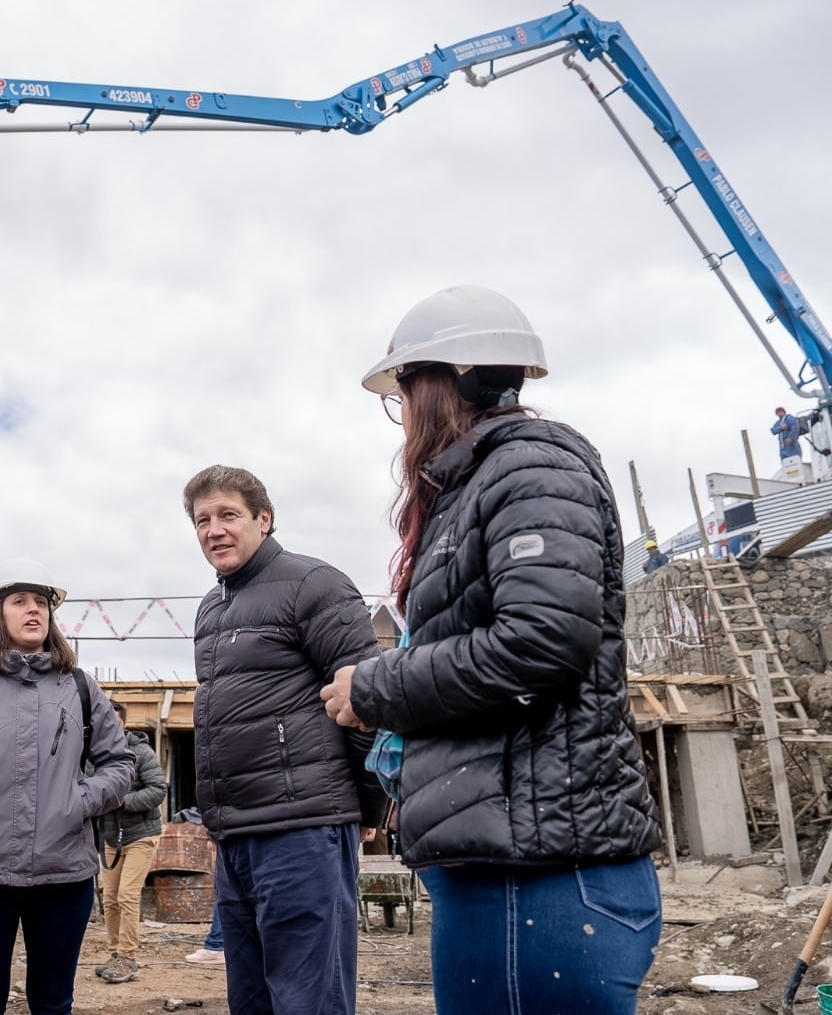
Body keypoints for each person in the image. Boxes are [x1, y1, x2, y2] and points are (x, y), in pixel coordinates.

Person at [324, 285, 663, 1013]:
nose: (404, 416)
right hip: (506, 864)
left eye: (407, 393)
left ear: (453, 381)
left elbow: (540, 641)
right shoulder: (480, 483)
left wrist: (373, 688)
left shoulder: (530, 469)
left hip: (539, 877)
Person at [183, 465, 386, 1015]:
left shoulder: (312, 583)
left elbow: (365, 700)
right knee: (250, 999)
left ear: (264, 519)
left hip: (303, 826)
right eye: (202, 520)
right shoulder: (211, 608)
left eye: (228, 515)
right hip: (238, 835)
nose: (213, 530)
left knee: (308, 1000)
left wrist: (369, 803)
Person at [0, 558, 133, 1015]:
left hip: (63, 875)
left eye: (41, 602)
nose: (34, 610)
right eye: (20, 601)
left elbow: (119, 763)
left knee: (53, 1004)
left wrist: (78, 801)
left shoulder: (80, 687)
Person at [95, 701, 168, 984]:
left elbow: (157, 790)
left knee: (127, 894)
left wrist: (122, 801)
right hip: (110, 836)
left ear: (123, 723)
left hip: (141, 834)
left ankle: (128, 956)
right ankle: (114, 954)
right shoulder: (94, 756)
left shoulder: (141, 752)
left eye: (113, 720)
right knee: (110, 898)